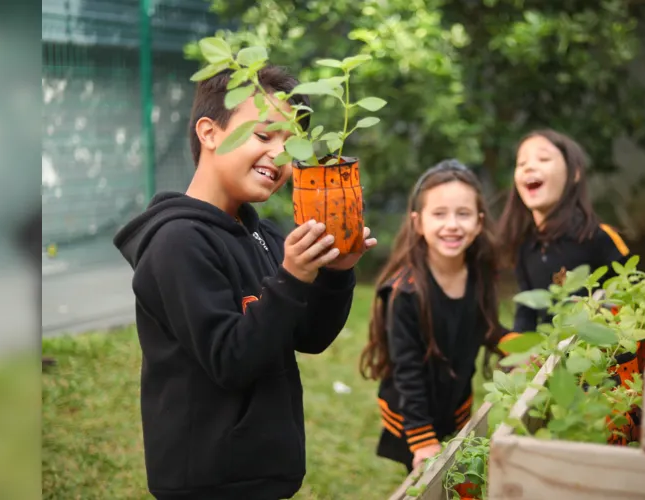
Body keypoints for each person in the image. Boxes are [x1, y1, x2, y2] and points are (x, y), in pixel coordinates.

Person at [113, 65, 376, 500]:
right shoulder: (178, 242)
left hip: (263, 472)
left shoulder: (264, 234)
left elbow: (309, 337)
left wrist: (336, 271)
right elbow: (229, 360)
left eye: (290, 144)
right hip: (207, 480)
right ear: (210, 133)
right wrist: (290, 279)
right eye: (263, 135)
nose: (280, 155)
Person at [359, 159, 515, 473]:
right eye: (439, 214)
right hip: (412, 413)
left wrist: (521, 347)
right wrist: (422, 439)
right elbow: (407, 372)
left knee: (458, 478)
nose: (453, 225)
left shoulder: (479, 274)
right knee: (427, 485)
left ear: (479, 222)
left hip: (454, 404)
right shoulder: (406, 293)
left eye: (463, 213)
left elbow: (483, 325)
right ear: (418, 223)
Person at [498, 128, 632, 335]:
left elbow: (632, 299)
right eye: (521, 163)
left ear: (575, 173)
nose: (529, 167)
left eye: (543, 159)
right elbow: (527, 313)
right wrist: (518, 356)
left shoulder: (599, 238)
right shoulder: (525, 247)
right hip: (552, 360)